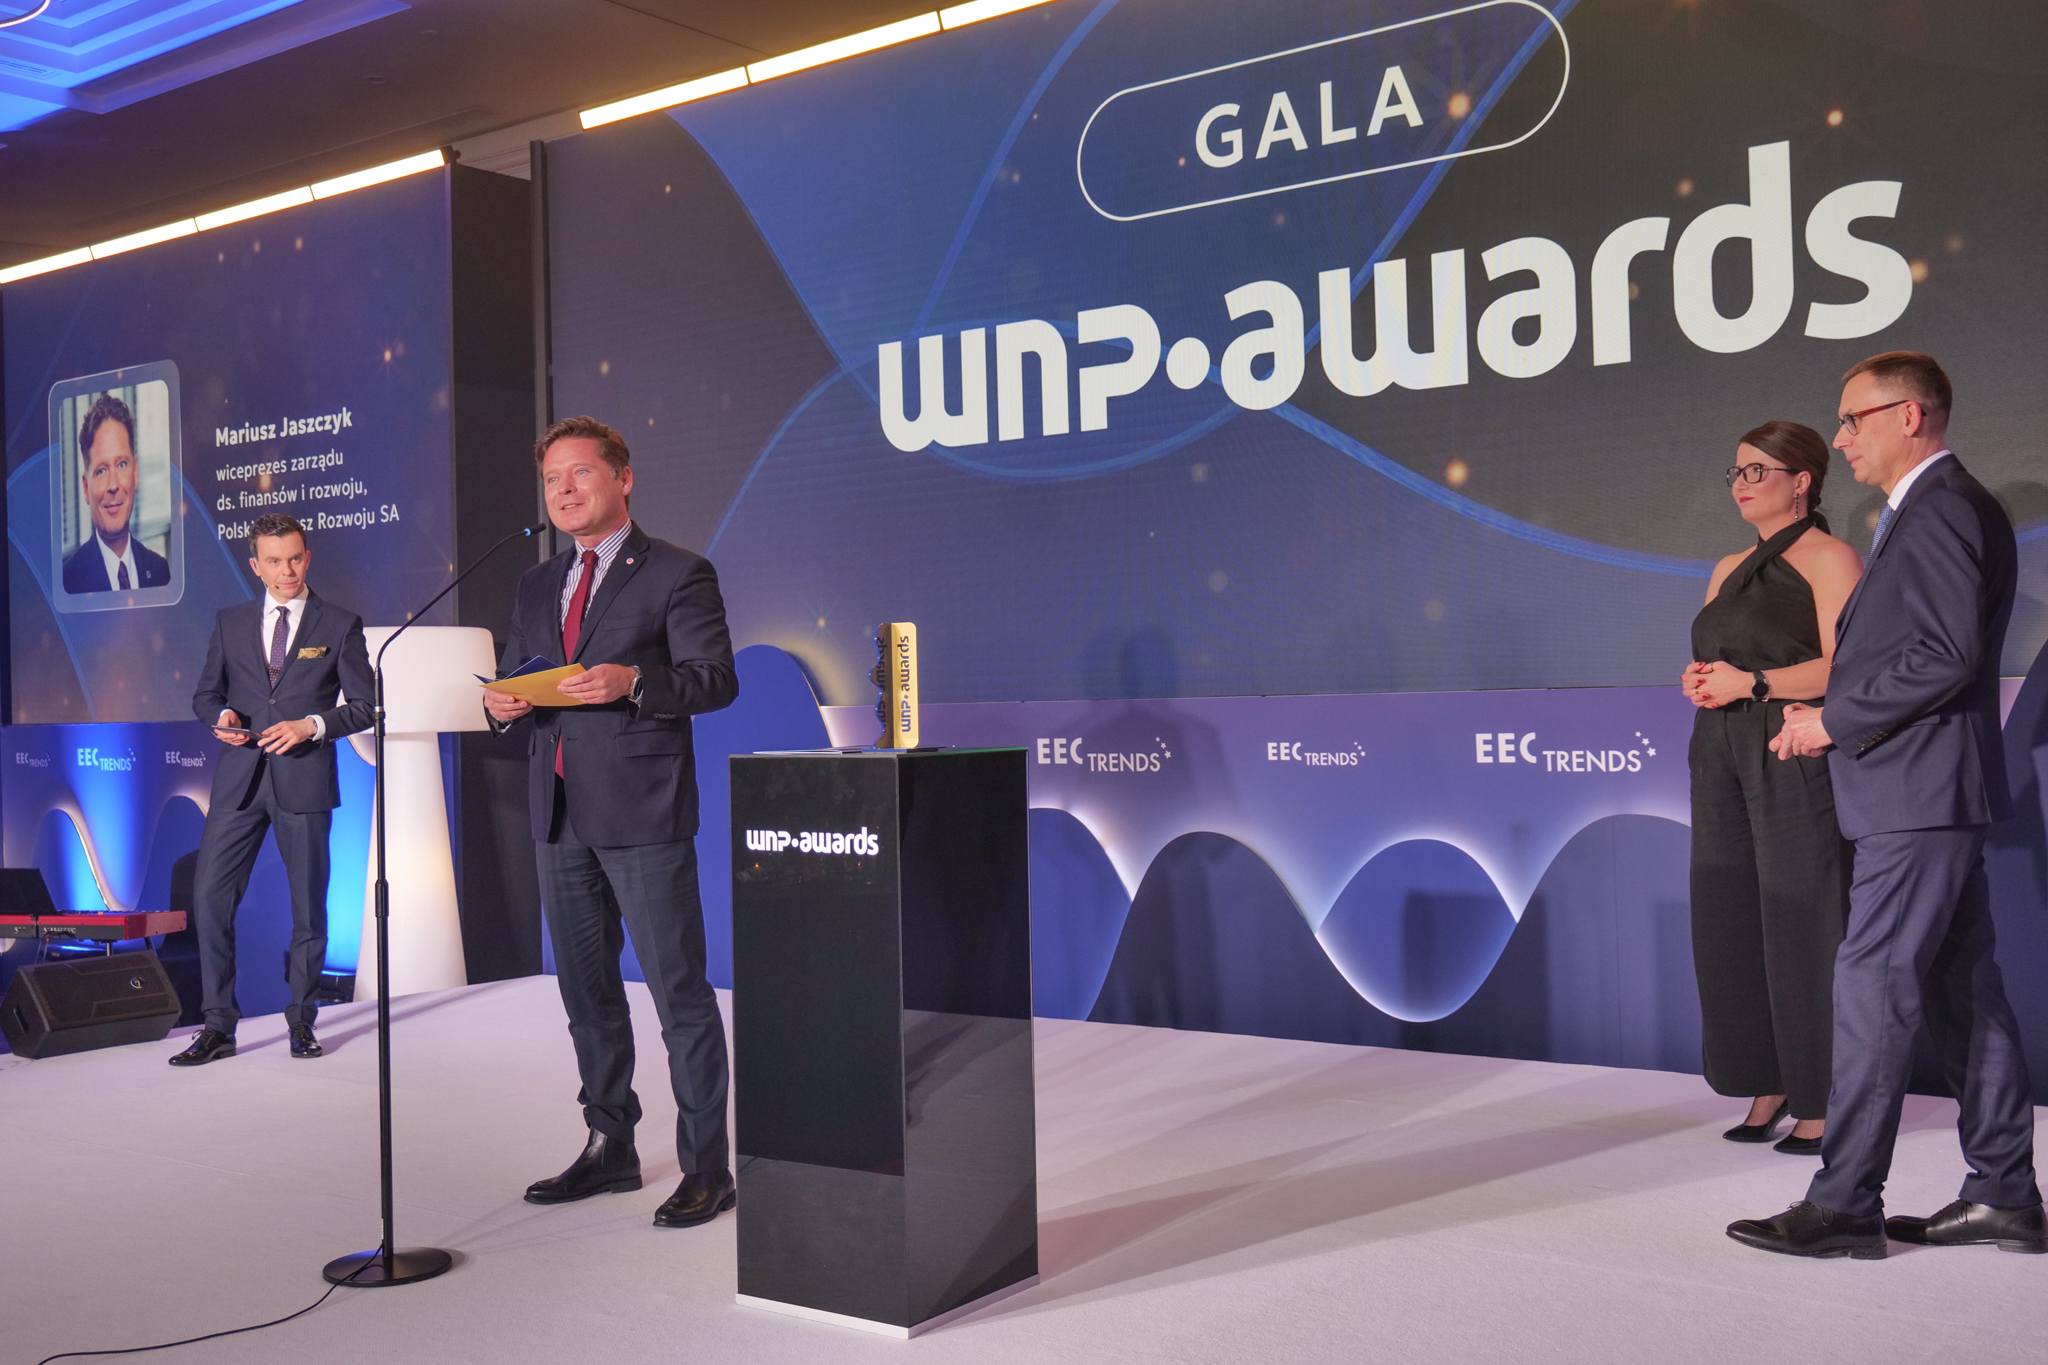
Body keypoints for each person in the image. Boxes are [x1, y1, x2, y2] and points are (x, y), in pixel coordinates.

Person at [1728, 351, 2042, 1258]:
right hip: (1924, 788)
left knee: (1872, 986)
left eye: (1854, 418)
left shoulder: (1941, 507)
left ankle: (1845, 1203)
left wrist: (1832, 721)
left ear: (1910, 415)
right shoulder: (1930, 508)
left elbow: (1942, 654)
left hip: (1916, 791)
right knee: (1964, 988)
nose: (1840, 439)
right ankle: (2005, 1193)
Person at [484, 416, 739, 1230]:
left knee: (678, 993)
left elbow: (714, 679)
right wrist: (500, 703)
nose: (563, 490)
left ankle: (707, 1167)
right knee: (586, 994)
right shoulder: (536, 583)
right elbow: (522, 676)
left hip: (642, 810)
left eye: (580, 473)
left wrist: (635, 680)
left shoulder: (678, 572)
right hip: (558, 812)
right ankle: (610, 1143)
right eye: (551, 478)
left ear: (622, 478)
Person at [1682, 421, 1861, 1156]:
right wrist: (1703, 680)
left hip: (1790, 746)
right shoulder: (1727, 567)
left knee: (1802, 919)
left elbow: (1847, 668)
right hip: (1717, 749)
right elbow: (1715, 656)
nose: (1743, 484)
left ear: (1802, 480)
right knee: (1730, 916)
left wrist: (1752, 682)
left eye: (1759, 470)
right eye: (1736, 472)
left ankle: (1822, 1097)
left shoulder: (1830, 557)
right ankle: (1767, 1080)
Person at [172, 512, 374, 1065]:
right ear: (255, 566)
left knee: (308, 909)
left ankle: (302, 1022)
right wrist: (219, 716)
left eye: (295, 558)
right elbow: (205, 695)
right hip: (239, 781)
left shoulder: (340, 623)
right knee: (209, 898)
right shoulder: (230, 621)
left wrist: (312, 725)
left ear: (307, 558)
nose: (287, 571)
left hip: (304, 778)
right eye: (275, 561)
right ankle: (218, 1025)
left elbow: (365, 706)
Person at [61, 392, 171, 594]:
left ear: (135, 472)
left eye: (121, 464)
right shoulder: (67, 583)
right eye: (101, 471)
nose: (113, 485)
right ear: (86, 488)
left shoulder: (160, 571)